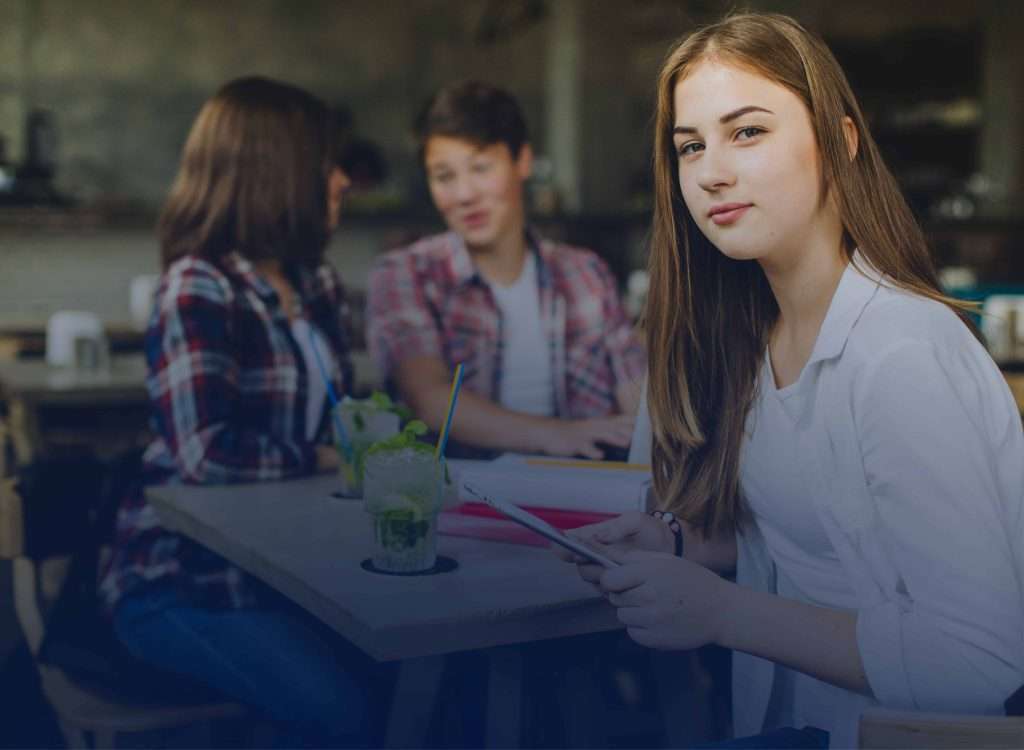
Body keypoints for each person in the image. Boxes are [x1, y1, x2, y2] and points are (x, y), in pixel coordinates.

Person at [561, 12, 1024, 748]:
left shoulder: (898, 354)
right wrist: (675, 546)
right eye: (690, 146)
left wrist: (720, 613)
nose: (711, 169)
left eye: (747, 131)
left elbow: (981, 660)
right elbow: (812, 553)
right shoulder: (761, 337)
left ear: (839, 142)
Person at [98, 76, 371, 746]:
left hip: (294, 573)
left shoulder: (317, 281)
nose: (340, 181)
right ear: (278, 171)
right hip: (184, 580)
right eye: (325, 163)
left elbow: (342, 413)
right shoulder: (199, 284)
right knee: (347, 715)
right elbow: (206, 452)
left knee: (419, 686)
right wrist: (326, 456)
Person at [367, 81, 646, 459]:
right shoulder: (405, 273)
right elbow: (429, 400)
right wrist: (559, 435)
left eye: (480, 167)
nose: (464, 194)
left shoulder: (585, 273)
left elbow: (636, 392)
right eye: (444, 176)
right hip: (457, 497)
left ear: (523, 161)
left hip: (583, 488)